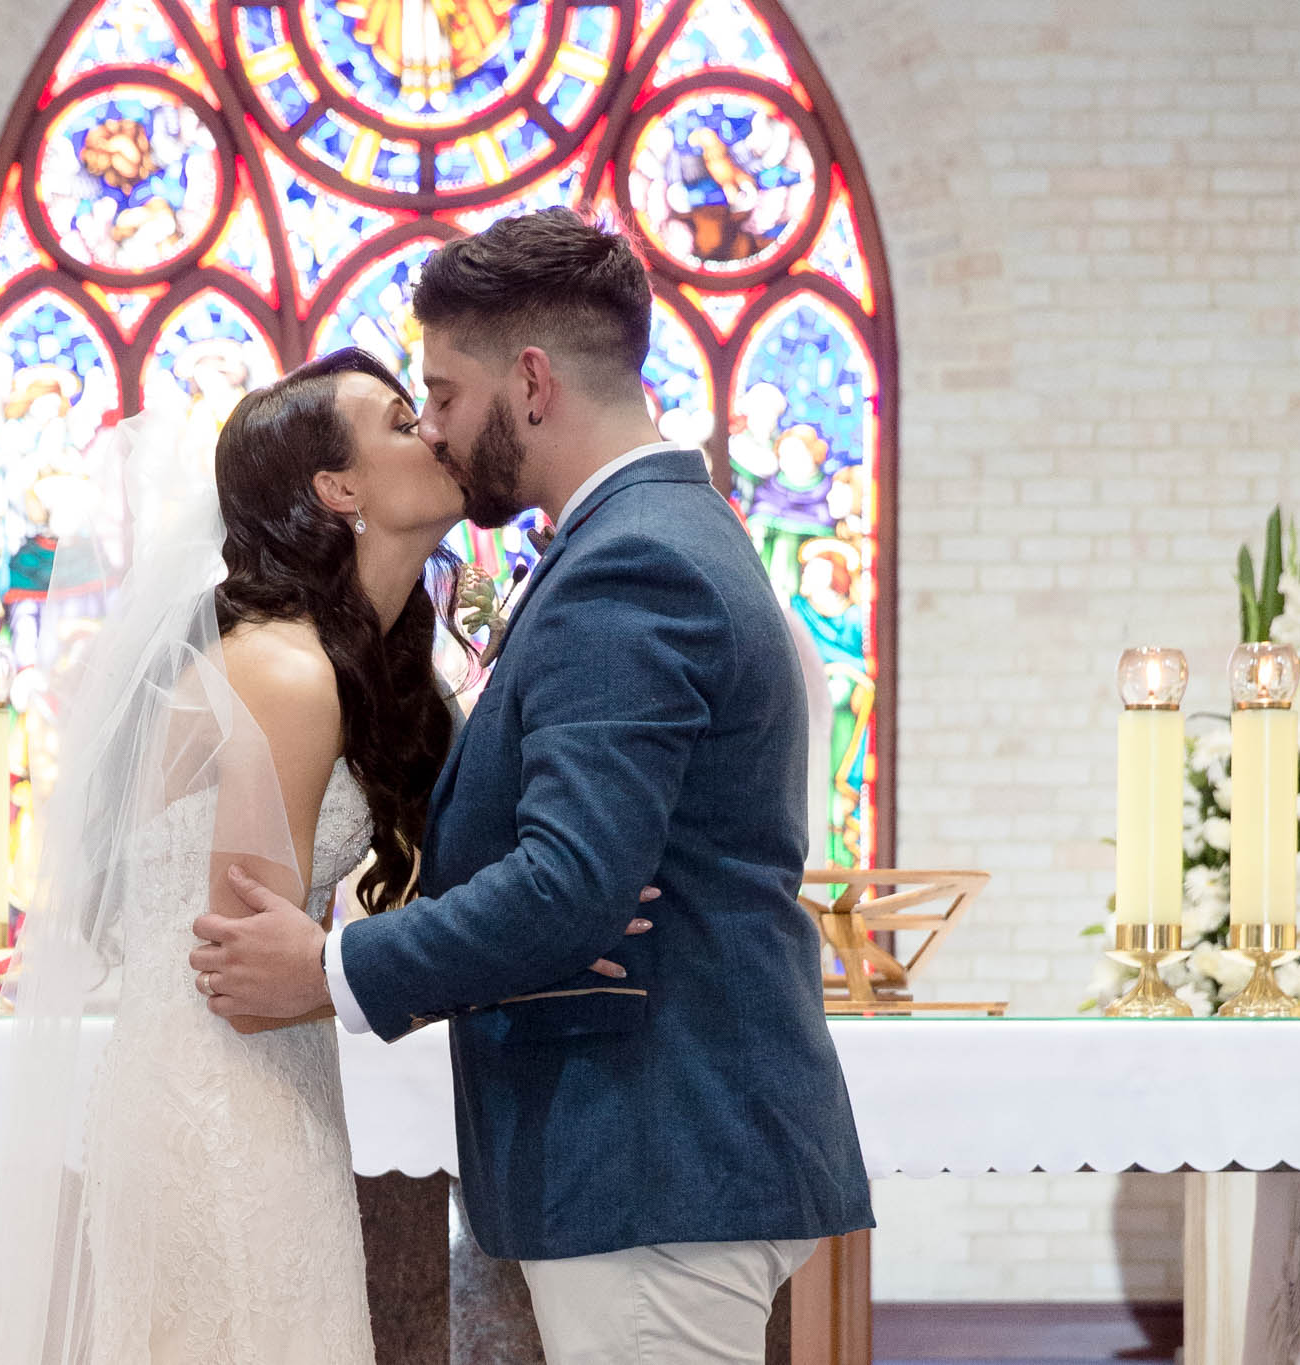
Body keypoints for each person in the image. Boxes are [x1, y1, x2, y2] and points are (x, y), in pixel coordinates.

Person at [192, 208, 875, 1362]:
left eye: (442, 396)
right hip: (654, 1155)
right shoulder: (643, 533)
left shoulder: (630, 562)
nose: (435, 431)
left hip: (651, 1156)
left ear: (530, 382)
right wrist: (557, 918)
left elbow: (569, 884)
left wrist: (329, 967)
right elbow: (578, 880)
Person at [0, 346, 645, 1365]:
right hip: (220, 1101)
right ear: (337, 490)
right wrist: (522, 965)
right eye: (403, 423)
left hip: (262, 1085)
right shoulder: (284, 673)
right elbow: (251, 980)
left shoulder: (356, 662)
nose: (435, 431)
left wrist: (550, 905)